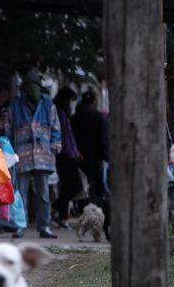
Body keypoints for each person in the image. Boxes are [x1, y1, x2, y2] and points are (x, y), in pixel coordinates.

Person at [6, 69, 61, 239]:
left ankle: (44, 226)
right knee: (20, 193)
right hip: (21, 155)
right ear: (24, 88)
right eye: (29, 86)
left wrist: (54, 147)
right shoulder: (15, 105)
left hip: (43, 156)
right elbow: (8, 129)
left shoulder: (48, 105)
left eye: (35, 86)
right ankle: (20, 226)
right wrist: (9, 152)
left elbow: (56, 129)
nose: (32, 89)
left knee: (43, 194)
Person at [51, 87, 83, 228]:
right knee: (76, 186)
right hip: (65, 154)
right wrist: (73, 153)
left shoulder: (62, 112)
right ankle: (56, 207)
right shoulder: (59, 112)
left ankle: (62, 216)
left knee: (66, 187)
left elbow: (69, 136)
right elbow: (65, 137)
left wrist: (76, 152)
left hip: (69, 153)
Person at [72, 89, 109, 203]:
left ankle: (82, 207)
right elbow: (103, 138)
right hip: (95, 159)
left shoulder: (75, 118)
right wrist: (104, 157)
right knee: (95, 186)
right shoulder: (99, 117)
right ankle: (95, 210)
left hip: (78, 157)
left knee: (81, 185)